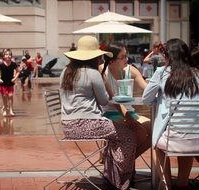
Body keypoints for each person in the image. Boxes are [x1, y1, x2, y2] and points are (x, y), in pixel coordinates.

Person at [60, 35, 140, 190]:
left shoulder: (65, 71)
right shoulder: (93, 74)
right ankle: (116, 178)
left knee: (117, 135)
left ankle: (111, 175)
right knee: (129, 135)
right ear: (94, 57)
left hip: (67, 125)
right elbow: (104, 101)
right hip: (87, 124)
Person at [142, 38, 199, 190]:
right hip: (197, 139)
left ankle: (167, 186)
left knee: (156, 145)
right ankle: (182, 184)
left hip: (174, 138)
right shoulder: (197, 74)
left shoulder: (162, 73)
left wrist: (161, 96)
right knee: (186, 141)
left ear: (168, 57)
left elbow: (146, 99)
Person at [100, 42, 151, 158]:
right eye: (123, 57)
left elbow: (147, 89)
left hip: (130, 113)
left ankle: (126, 160)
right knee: (140, 132)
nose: (127, 59)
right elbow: (112, 99)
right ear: (111, 60)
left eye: (126, 56)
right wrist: (126, 116)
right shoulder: (102, 71)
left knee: (155, 130)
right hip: (110, 113)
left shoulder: (131, 70)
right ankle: (120, 161)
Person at [0, 49, 20, 116]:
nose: (8, 56)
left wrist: (14, 78)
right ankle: (6, 110)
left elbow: (18, 71)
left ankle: (11, 110)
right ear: (4, 56)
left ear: (11, 56)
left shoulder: (13, 64)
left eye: (9, 54)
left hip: (10, 82)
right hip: (3, 83)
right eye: (6, 54)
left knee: (11, 96)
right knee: (4, 96)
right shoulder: (1, 64)